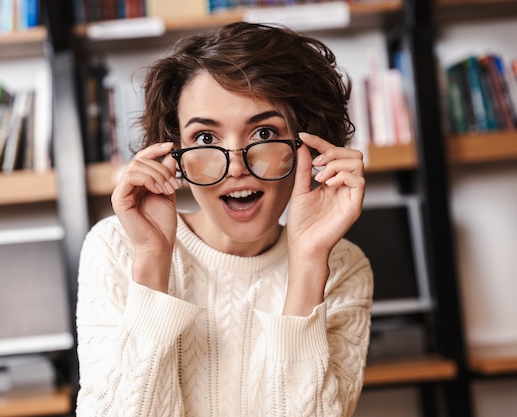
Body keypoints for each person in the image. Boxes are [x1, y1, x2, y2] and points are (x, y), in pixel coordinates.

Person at [76, 21, 373, 417]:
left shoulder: (341, 267)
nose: (235, 167)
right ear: (173, 151)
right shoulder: (117, 247)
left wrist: (306, 264)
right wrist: (151, 262)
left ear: (310, 144)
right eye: (205, 139)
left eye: (264, 134)